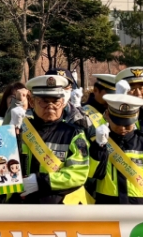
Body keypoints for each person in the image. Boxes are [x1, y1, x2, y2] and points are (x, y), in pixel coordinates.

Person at [84, 91, 143, 205]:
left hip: (141, 214)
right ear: (107, 115)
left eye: (127, 124)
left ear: (136, 117)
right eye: (117, 123)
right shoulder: (98, 143)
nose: (122, 128)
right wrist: (98, 148)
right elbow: (90, 175)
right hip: (107, 212)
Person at [9, 74, 89, 204]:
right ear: (32, 102)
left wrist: (40, 182)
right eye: (44, 101)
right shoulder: (22, 128)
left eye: (55, 101)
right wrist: (11, 132)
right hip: (23, 206)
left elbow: (78, 174)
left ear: (63, 103)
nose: (50, 106)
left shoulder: (73, 133)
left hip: (59, 208)